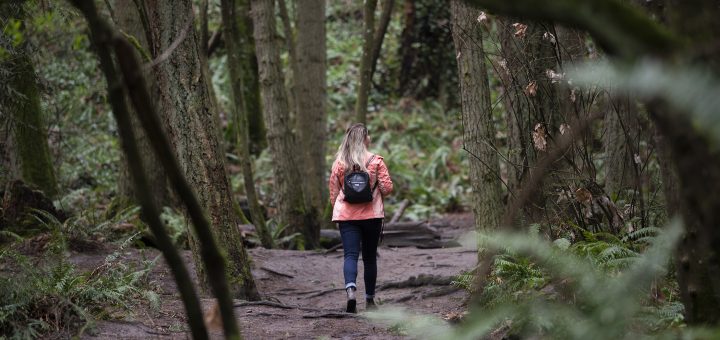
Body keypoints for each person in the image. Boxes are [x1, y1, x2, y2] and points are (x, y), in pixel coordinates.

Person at [329, 123, 393, 313]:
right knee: (369, 258)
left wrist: (340, 210)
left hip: (347, 216)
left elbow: (334, 192)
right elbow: (387, 189)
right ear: (365, 139)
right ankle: (370, 300)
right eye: (369, 135)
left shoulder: (340, 163)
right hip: (372, 215)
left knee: (350, 255)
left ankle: (350, 291)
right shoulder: (376, 161)